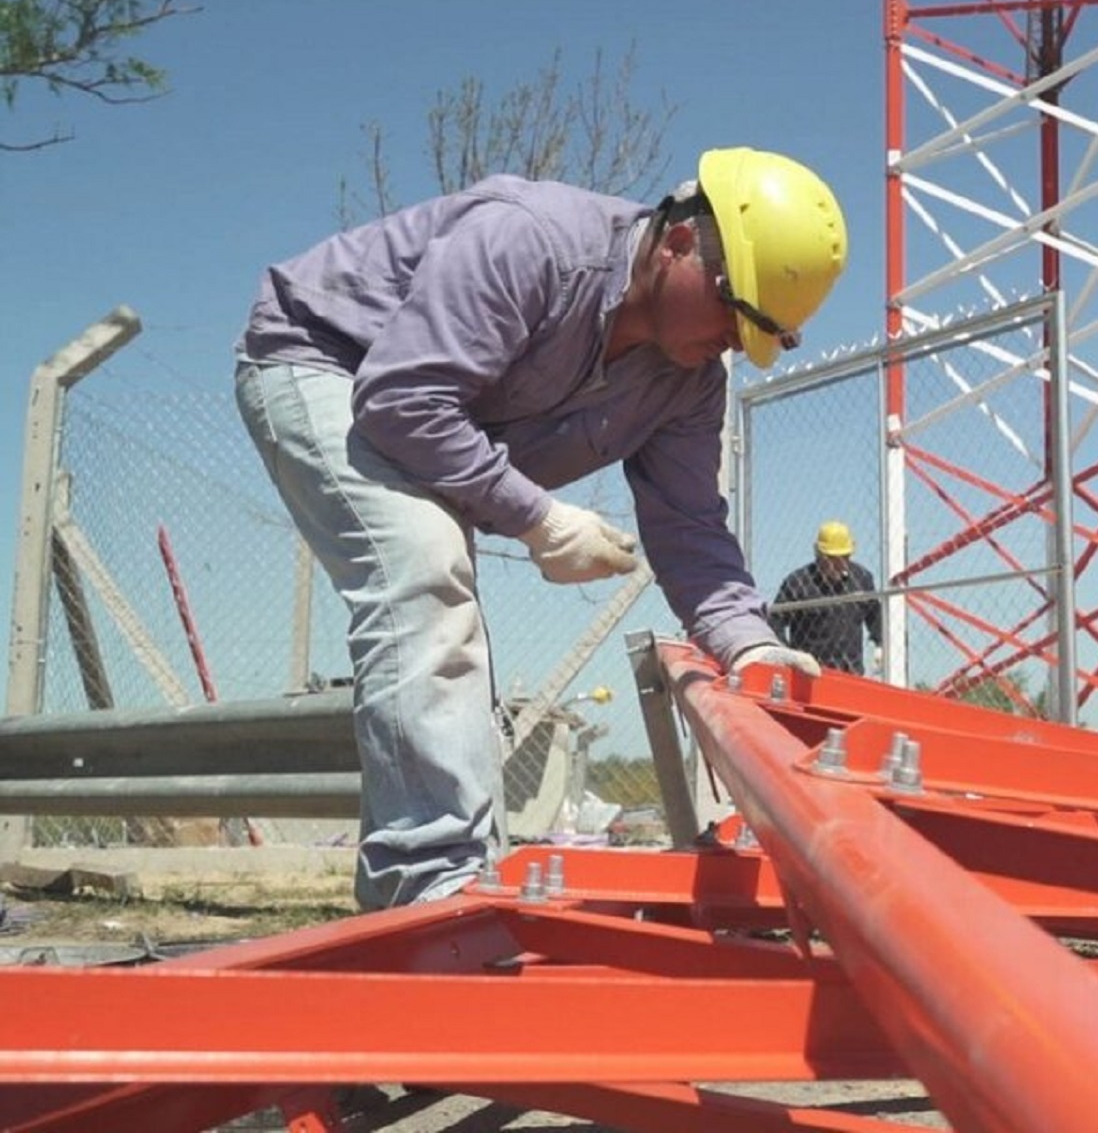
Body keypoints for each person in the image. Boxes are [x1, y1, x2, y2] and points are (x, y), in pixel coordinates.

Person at [233, 147, 846, 910]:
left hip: (417, 404)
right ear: (683, 241)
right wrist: (541, 519)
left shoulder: (686, 381)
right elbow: (404, 402)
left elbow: (691, 530)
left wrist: (749, 642)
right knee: (423, 563)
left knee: (446, 592)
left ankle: (466, 873)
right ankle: (427, 890)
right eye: (734, 310)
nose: (734, 341)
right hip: (329, 360)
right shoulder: (532, 244)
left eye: (762, 335)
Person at [770, 521, 883, 674]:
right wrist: (789, 655)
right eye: (834, 559)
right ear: (820, 555)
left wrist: (880, 644)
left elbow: (875, 615)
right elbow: (774, 621)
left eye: (845, 557)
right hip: (811, 673)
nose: (841, 564)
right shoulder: (798, 583)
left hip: (851, 672)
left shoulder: (862, 578)